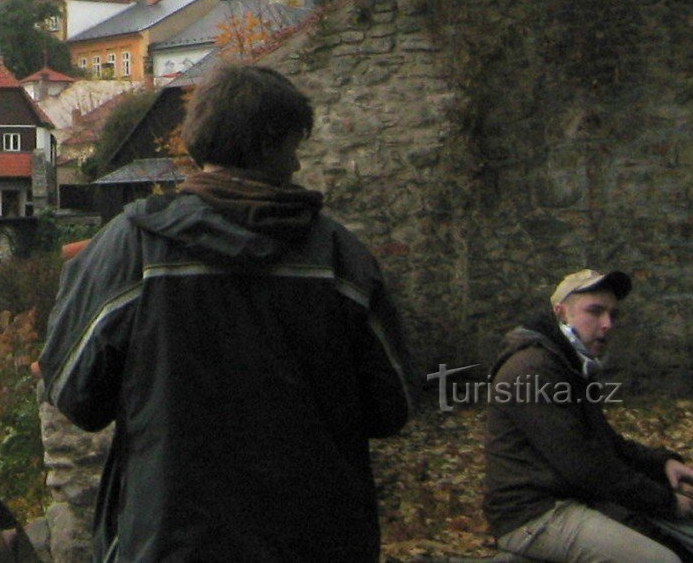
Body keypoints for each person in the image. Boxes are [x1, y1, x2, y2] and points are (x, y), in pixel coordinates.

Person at [39, 64, 413, 563]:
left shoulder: (133, 249)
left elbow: (73, 394)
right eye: (293, 145)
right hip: (319, 539)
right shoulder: (339, 258)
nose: (298, 164)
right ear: (268, 147)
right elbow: (394, 405)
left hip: (169, 540)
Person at [483, 269, 693, 563]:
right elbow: (584, 465)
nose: (607, 324)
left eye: (612, 314)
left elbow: (603, 443)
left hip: (568, 500)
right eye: (595, 311)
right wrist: (665, 502)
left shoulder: (568, 363)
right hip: (533, 514)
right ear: (561, 312)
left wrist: (660, 462)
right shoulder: (532, 369)